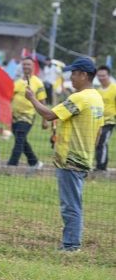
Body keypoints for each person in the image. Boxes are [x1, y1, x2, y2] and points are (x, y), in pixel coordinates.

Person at [25, 57, 104, 252]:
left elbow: (50, 114)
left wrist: (32, 98)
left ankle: (71, 245)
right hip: (84, 158)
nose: (71, 78)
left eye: (74, 74)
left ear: (84, 75)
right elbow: (99, 131)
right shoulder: (97, 98)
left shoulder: (80, 98)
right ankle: (71, 242)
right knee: (73, 202)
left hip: (70, 160)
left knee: (70, 205)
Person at [8, 57, 46, 168]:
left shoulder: (38, 83)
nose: (26, 67)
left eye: (28, 64)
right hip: (14, 116)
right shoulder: (17, 82)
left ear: (33, 66)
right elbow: (10, 98)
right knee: (21, 140)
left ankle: (12, 164)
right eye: (24, 64)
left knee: (20, 137)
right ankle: (34, 162)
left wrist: (44, 120)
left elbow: (42, 101)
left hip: (28, 115)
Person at [95, 65, 115, 171]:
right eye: (99, 76)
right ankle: (101, 163)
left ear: (108, 76)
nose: (101, 78)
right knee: (98, 142)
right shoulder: (98, 90)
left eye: (103, 76)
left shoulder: (114, 88)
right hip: (99, 121)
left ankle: (101, 167)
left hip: (110, 121)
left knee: (102, 141)